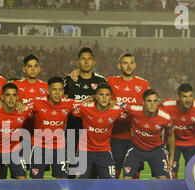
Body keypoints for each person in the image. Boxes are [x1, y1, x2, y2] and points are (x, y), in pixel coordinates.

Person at [64, 47, 107, 178]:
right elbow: (62, 101)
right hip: (73, 130)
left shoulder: (101, 81)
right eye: (83, 59)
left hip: (93, 134)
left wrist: (95, 96)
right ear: (78, 62)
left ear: (94, 62)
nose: (86, 61)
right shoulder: (70, 79)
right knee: (71, 169)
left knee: (92, 173)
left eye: (89, 59)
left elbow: (108, 103)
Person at [107, 53, 150, 179]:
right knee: (115, 170)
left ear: (135, 65)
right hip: (116, 135)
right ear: (119, 66)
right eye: (125, 63)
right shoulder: (110, 82)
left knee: (134, 171)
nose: (129, 66)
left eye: (131, 63)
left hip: (136, 136)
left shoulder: (143, 84)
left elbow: (147, 109)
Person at [28, 76, 82, 179]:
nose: (57, 93)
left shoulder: (69, 103)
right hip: (39, 147)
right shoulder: (37, 103)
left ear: (63, 91)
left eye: (60, 89)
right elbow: (20, 107)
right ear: (48, 91)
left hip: (59, 148)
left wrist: (94, 97)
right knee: (36, 181)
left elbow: (88, 104)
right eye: (54, 89)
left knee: (62, 180)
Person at [71, 83, 124, 179]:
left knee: (110, 183)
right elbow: (70, 104)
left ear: (110, 97)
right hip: (84, 151)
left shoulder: (116, 110)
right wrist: (84, 100)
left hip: (104, 151)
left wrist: (117, 102)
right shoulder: (85, 107)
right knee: (79, 184)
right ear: (96, 96)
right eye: (101, 94)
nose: (104, 98)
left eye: (107, 95)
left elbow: (129, 109)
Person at [0, 83, 32, 179]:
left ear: (18, 97)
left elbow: (38, 105)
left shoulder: (24, 110)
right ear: (2, 97)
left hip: (14, 150)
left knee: (22, 182)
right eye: (8, 95)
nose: (11, 98)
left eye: (14, 95)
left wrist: (22, 103)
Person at [159, 83, 195, 179]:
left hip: (192, 143)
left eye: (191, 96)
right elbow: (157, 121)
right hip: (172, 143)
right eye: (184, 97)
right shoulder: (166, 105)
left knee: (193, 173)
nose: (188, 100)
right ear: (178, 97)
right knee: (171, 172)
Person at [122, 89, 175, 180]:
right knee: (126, 179)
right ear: (143, 102)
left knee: (164, 180)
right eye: (149, 101)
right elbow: (119, 105)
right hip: (136, 149)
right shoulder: (134, 110)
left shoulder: (165, 117)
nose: (152, 104)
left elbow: (170, 135)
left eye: (155, 101)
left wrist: (172, 156)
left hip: (156, 150)